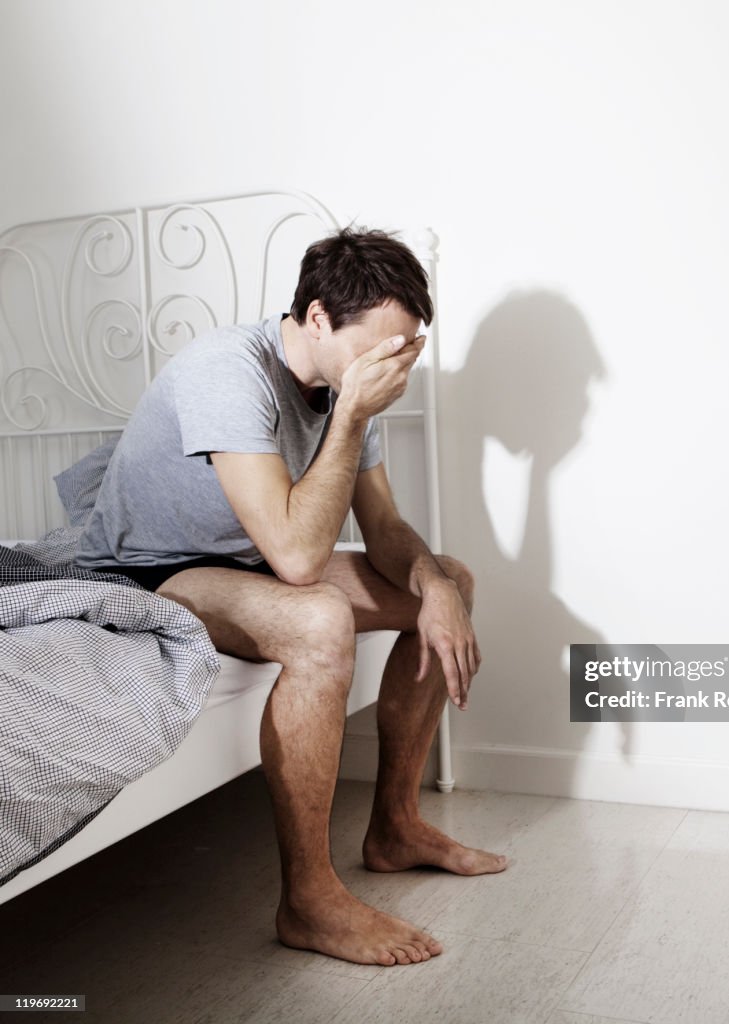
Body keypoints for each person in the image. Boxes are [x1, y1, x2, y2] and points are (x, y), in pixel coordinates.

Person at [75, 228, 507, 967]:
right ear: (315, 319)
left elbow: (383, 527)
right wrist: (350, 417)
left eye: (406, 350)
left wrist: (433, 585)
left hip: (255, 552)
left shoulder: (346, 389)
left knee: (450, 580)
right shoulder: (227, 369)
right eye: (379, 351)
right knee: (318, 621)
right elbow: (301, 558)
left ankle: (396, 827)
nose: (393, 370)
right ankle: (307, 898)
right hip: (146, 569)